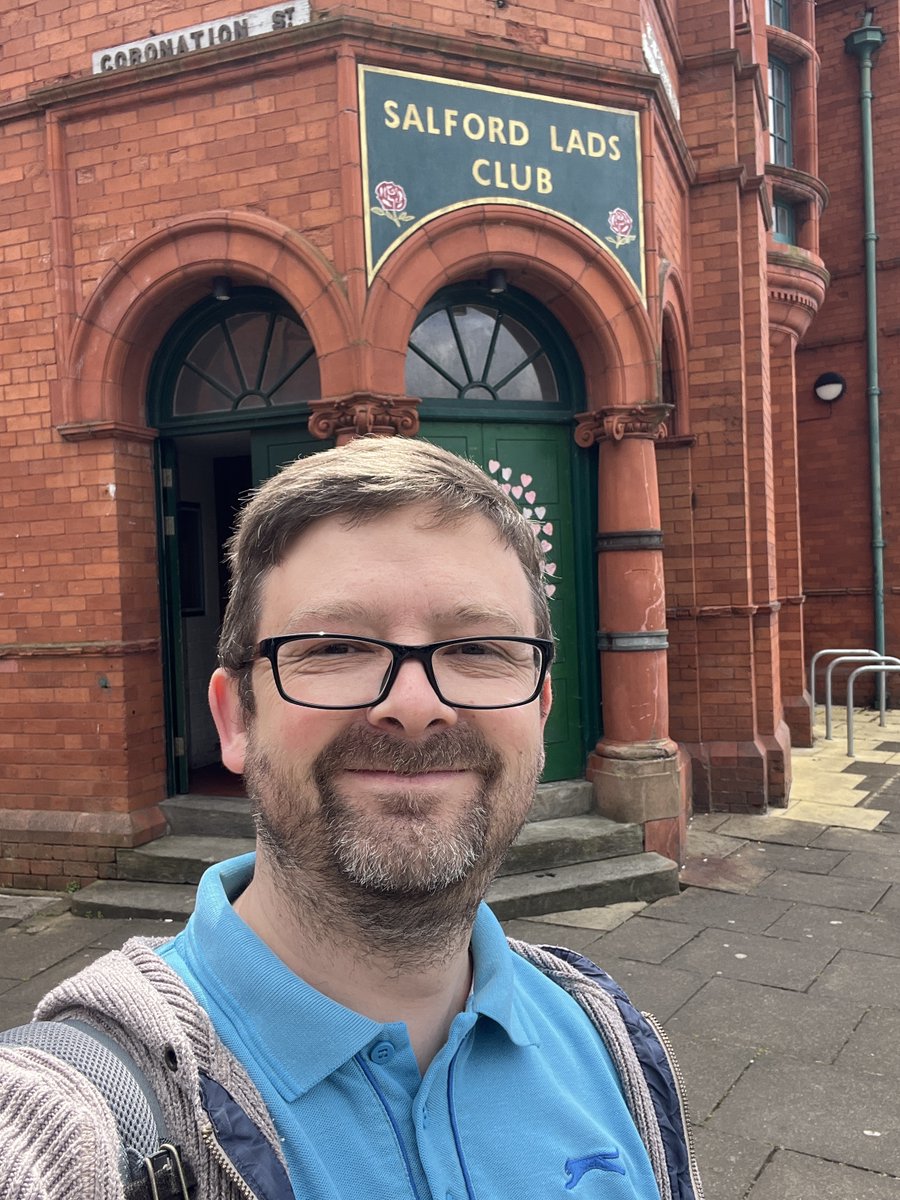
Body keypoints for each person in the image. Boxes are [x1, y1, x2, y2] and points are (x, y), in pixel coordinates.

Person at [0, 437, 701, 1200]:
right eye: (332, 646)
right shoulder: (78, 1113)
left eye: (477, 647)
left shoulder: (612, 1043)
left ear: (540, 710)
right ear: (236, 719)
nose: (414, 706)